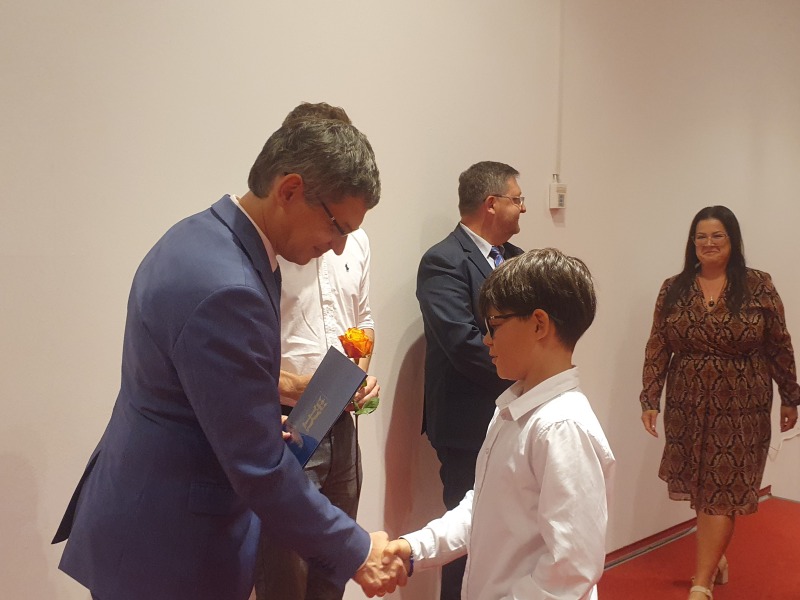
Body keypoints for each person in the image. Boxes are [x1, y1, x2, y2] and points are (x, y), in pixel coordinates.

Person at [51, 117, 406, 600]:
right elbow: (259, 467)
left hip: (145, 511)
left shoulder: (199, 235)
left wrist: (251, 418)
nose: (339, 246)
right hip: (171, 546)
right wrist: (359, 550)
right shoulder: (229, 288)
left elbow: (190, 390)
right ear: (289, 190)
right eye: (337, 226)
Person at [386, 248, 616, 599]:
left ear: (539, 324)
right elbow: (483, 508)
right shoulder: (513, 409)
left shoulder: (562, 428)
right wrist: (415, 547)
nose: (486, 339)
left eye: (494, 325)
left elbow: (571, 568)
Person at [639, 205, 800, 600]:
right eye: (701, 237)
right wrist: (650, 397)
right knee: (703, 484)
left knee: (724, 487)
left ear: (732, 240)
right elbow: (658, 344)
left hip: (743, 403)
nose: (708, 243)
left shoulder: (758, 285)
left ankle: (701, 583)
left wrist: (790, 395)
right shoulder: (674, 287)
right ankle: (716, 560)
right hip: (687, 401)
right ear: (692, 243)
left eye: (717, 236)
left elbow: (778, 343)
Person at [254, 102, 381, 600]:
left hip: (343, 426)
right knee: (285, 579)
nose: (337, 241)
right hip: (287, 429)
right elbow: (239, 361)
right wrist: (302, 389)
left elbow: (363, 323)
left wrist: (357, 377)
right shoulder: (268, 246)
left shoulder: (357, 240)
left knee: (334, 570)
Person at [416, 161, 525, 599]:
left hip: (518, 416)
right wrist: (526, 375)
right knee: (466, 535)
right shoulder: (443, 261)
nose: (523, 208)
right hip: (467, 424)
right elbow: (461, 342)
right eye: (517, 199)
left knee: (512, 532)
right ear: (491, 203)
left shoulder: (519, 259)